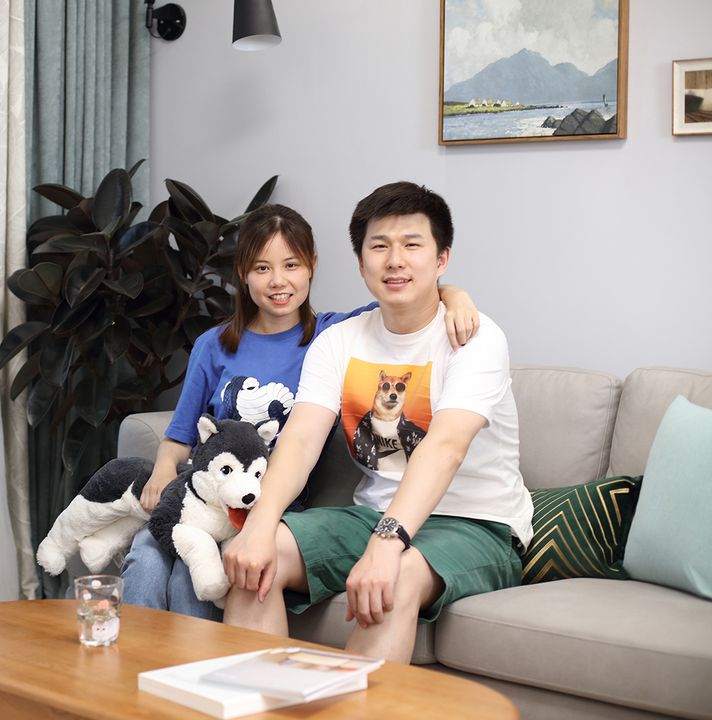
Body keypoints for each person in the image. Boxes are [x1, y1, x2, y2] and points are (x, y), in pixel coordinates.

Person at [121, 203, 481, 620]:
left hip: (268, 504)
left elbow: (407, 296)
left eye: (291, 265)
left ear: (312, 266)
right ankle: (135, 657)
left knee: (192, 572)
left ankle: (195, 660)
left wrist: (456, 296)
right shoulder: (213, 345)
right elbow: (180, 434)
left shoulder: (333, 335)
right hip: (203, 492)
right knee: (147, 553)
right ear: (243, 273)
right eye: (262, 268)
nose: (279, 281)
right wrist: (164, 470)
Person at [221, 182, 534, 662]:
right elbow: (301, 439)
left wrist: (387, 545)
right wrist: (259, 525)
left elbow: (445, 447)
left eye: (412, 244)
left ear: (442, 260)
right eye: (380, 246)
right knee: (257, 559)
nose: (395, 260)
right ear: (361, 262)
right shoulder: (338, 341)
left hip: (476, 523)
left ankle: (354, 700)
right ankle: (257, 699)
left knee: (395, 578)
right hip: (369, 516)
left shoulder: (475, 337)